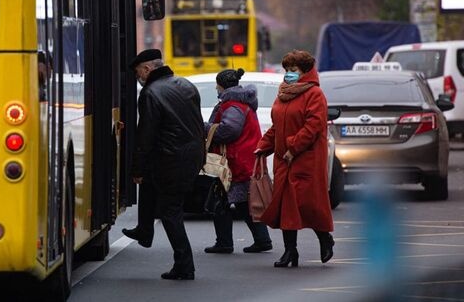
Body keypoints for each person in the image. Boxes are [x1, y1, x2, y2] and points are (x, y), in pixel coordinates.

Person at [121, 48, 205, 280]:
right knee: (152, 189)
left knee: (170, 212)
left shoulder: (150, 93)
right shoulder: (186, 84)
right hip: (190, 157)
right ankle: (144, 230)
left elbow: (145, 135)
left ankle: (184, 265)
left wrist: (136, 169)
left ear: (148, 69)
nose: (139, 77)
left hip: (169, 159)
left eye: (139, 72)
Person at [255, 50, 334, 268]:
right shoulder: (283, 93)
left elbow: (314, 126)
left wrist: (293, 147)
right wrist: (263, 146)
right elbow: (276, 126)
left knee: (309, 204)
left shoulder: (314, 94)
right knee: (285, 206)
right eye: (287, 70)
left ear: (305, 72)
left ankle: (325, 238)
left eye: (294, 70)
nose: (289, 74)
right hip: (284, 159)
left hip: (306, 158)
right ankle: (290, 252)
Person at [203, 68, 272, 255]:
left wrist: (205, 128)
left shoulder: (232, 105)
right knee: (243, 202)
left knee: (221, 201)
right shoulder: (240, 102)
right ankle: (261, 239)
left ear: (221, 85)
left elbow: (229, 130)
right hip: (243, 159)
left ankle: (224, 242)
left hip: (235, 162)